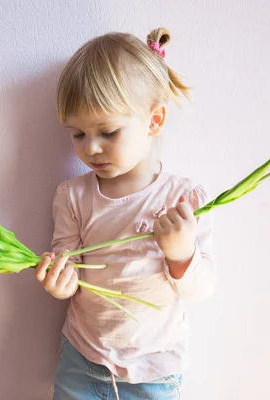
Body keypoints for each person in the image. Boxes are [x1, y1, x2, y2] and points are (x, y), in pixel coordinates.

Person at [35, 27, 218, 400]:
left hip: (155, 372)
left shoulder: (185, 199)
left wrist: (181, 252)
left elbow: (201, 289)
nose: (92, 148)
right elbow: (67, 260)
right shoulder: (73, 196)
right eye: (78, 134)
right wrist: (59, 281)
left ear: (154, 121)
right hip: (83, 360)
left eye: (108, 132)